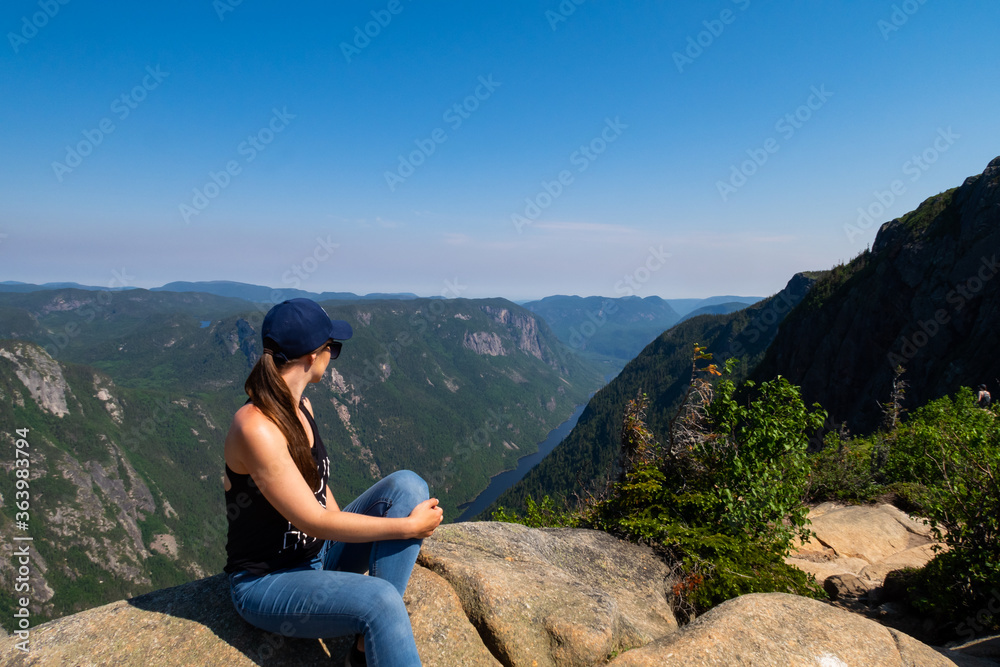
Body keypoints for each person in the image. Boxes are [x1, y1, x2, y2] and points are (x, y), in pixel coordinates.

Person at [223, 298, 442, 666]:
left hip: (319, 555)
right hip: (269, 581)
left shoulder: (300, 406)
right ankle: (377, 624)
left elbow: (319, 491)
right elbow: (313, 519)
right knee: (382, 602)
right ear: (312, 357)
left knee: (408, 485)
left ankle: (363, 647)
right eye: (333, 348)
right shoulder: (256, 428)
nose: (333, 355)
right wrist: (407, 527)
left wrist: (351, 532)